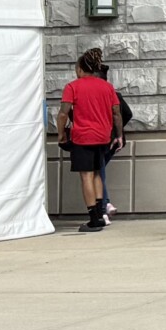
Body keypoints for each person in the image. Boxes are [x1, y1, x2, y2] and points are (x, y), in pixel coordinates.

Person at [57, 49, 128, 233]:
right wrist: (118, 135)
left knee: (86, 176)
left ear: (80, 69)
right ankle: (100, 214)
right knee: (97, 173)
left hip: (83, 137)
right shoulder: (107, 87)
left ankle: (93, 219)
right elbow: (117, 113)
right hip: (103, 137)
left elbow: (63, 113)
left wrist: (61, 134)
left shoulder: (72, 87)